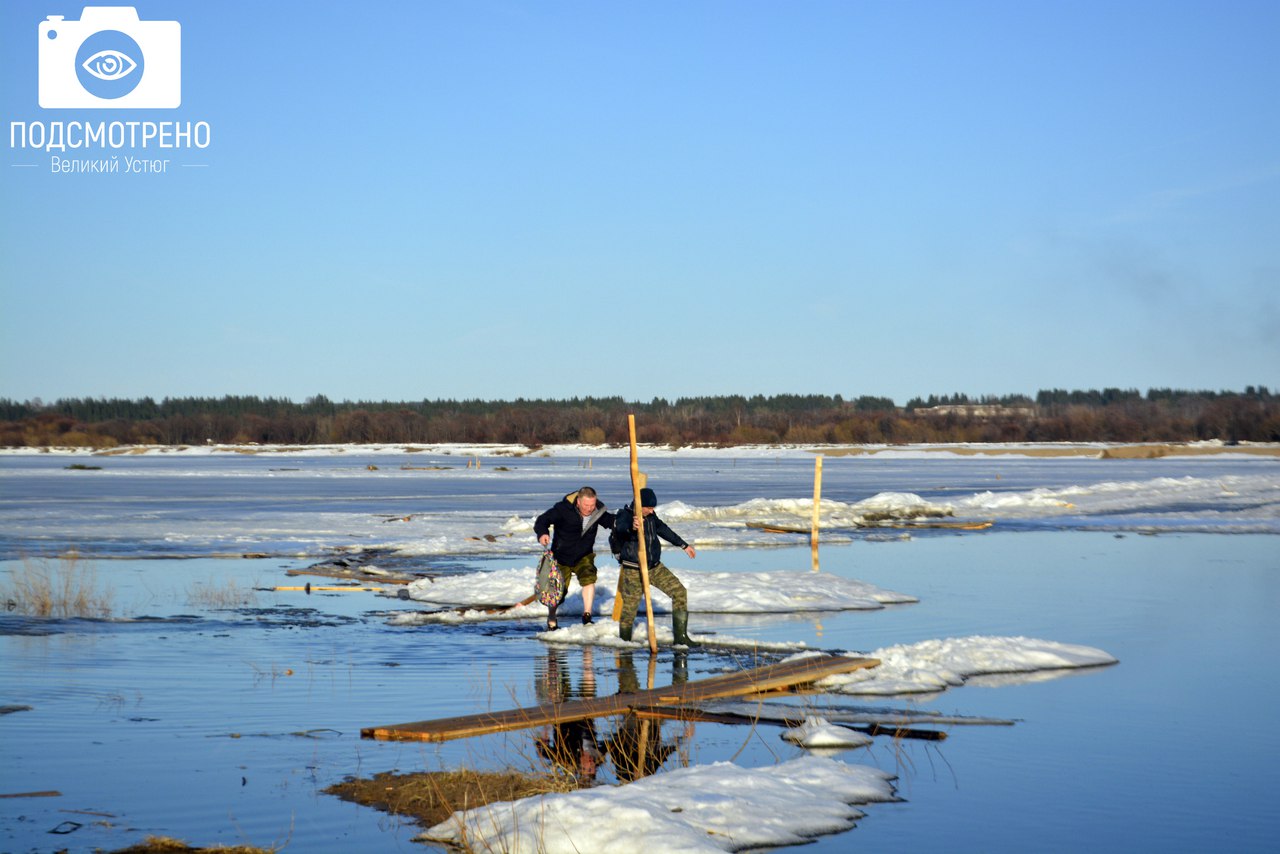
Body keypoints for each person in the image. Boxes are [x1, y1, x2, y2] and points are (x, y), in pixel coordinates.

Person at [611, 487, 699, 646]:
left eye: (653, 508)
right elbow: (622, 528)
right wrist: (633, 526)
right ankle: (624, 642)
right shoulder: (625, 515)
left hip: (654, 567)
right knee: (630, 608)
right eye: (649, 508)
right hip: (633, 569)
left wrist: (683, 545)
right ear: (640, 505)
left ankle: (681, 637)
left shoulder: (651, 517)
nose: (651, 511)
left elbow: (664, 530)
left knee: (679, 592)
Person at [534, 486, 615, 630]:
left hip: (583, 555)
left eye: (592, 505)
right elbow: (542, 520)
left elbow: (612, 522)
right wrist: (542, 533)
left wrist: (629, 524)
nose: (590, 509)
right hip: (561, 556)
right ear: (578, 502)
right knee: (558, 591)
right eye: (586, 505)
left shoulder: (598, 511)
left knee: (589, 578)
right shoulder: (563, 509)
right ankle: (552, 617)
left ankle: (587, 615)